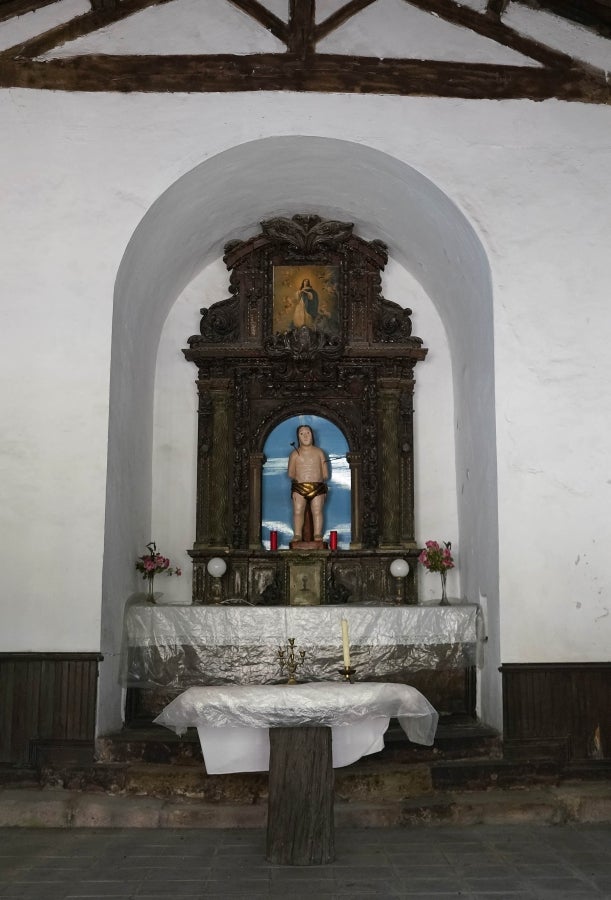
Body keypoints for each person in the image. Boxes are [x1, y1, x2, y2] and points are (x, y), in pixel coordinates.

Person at [287, 425, 329, 542]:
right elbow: (290, 473)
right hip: (299, 487)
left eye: (308, 433)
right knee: (298, 510)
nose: (305, 436)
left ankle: (317, 534)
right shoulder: (294, 454)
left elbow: (325, 474)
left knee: (317, 511)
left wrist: (320, 478)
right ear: (298, 437)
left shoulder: (319, 452)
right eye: (302, 433)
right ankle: (297, 534)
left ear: (312, 435)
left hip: (317, 487)